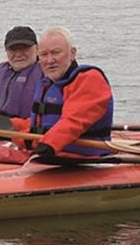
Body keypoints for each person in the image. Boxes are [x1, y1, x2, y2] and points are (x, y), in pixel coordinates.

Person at [27, 26, 114, 158]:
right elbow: (40, 123)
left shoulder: (90, 79)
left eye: (56, 52)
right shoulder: (47, 84)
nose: (50, 60)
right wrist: (10, 125)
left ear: (72, 53)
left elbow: (74, 122)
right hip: (53, 152)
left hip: (81, 158)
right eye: (44, 55)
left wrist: (48, 146)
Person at [0, 25, 43, 130]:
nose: (18, 54)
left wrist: (12, 124)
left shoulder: (47, 73)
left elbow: (47, 119)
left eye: (24, 48)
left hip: (23, 135)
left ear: (37, 49)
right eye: (13, 49)